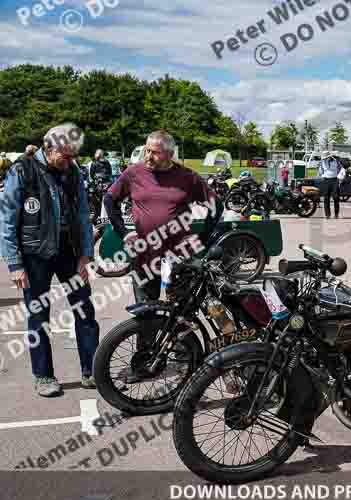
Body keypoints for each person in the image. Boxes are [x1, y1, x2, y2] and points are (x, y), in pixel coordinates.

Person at [0, 124, 99, 396]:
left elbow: (82, 216)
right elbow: (7, 220)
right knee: (38, 316)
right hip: (35, 256)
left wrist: (86, 255)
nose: (70, 162)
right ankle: (43, 376)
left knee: (85, 312)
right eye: (65, 156)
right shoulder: (22, 171)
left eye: (73, 157)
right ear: (49, 147)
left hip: (69, 252)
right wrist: (15, 263)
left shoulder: (74, 172)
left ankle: (92, 371)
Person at [104, 130, 215, 303]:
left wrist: (204, 238)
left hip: (180, 253)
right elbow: (110, 199)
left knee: (182, 309)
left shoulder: (187, 177)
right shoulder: (134, 173)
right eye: (147, 150)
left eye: (155, 152)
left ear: (170, 154)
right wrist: (124, 232)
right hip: (144, 252)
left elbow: (216, 205)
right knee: (146, 310)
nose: (148, 156)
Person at [319, 151, 343, 218]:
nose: (325, 159)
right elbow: (320, 171)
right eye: (324, 158)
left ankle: (336, 214)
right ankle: (327, 214)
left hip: (334, 180)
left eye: (326, 157)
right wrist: (323, 175)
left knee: (336, 197)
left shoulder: (336, 161)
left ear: (329, 156)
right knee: (326, 198)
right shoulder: (322, 162)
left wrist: (337, 175)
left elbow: (340, 168)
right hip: (326, 180)